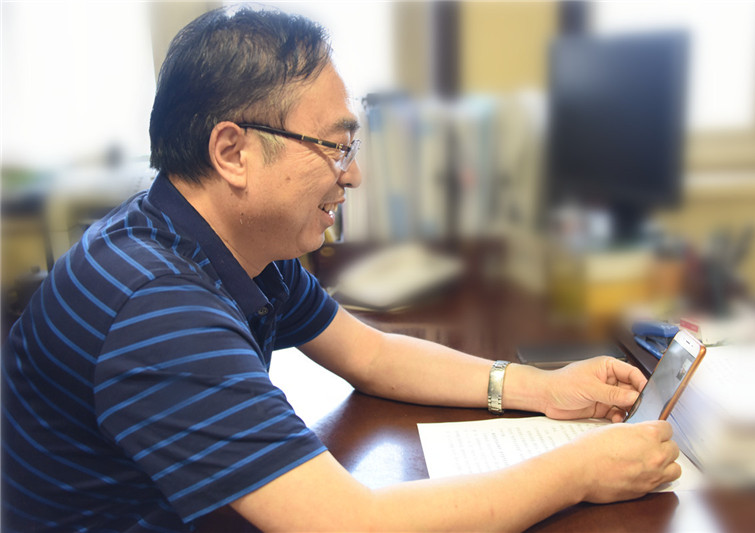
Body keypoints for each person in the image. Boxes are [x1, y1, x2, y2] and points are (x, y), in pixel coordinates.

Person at [1, 6, 680, 532]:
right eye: (334, 147)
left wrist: (543, 387)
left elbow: (372, 354)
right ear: (232, 153)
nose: (352, 175)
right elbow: (351, 523)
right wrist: (578, 470)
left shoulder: (229, 244)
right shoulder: (155, 306)